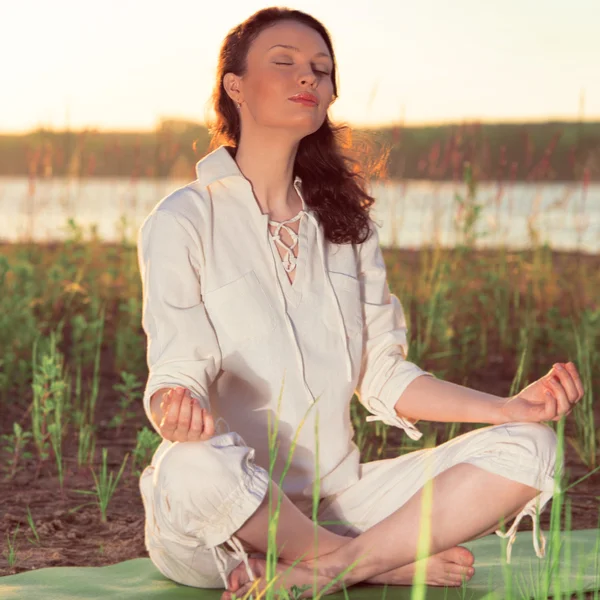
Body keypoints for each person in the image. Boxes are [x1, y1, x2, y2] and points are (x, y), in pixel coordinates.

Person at [136, 7, 584, 600]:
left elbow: (384, 375)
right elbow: (177, 368)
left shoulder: (347, 226)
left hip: (344, 501)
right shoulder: (183, 219)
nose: (308, 79)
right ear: (235, 86)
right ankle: (378, 563)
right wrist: (176, 406)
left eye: (320, 70)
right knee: (189, 465)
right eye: (286, 63)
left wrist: (509, 409)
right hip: (227, 517)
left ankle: (331, 568)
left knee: (533, 449)